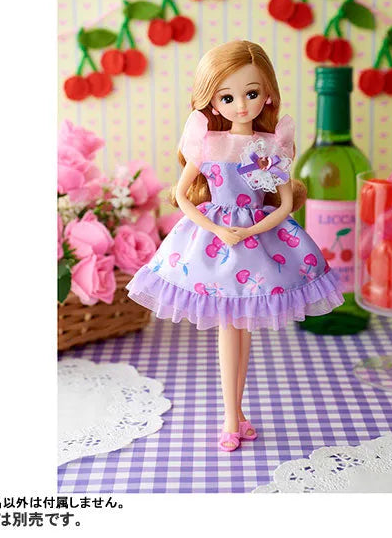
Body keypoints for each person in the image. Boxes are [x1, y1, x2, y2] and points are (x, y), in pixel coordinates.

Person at [126, 40, 345, 451]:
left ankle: (238, 413)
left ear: (268, 95)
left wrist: (252, 229)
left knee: (242, 329)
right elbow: (182, 196)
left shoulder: (271, 146)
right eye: (227, 97)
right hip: (214, 243)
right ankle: (231, 415)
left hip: (258, 241)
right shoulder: (208, 142)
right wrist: (217, 228)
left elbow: (284, 204)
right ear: (211, 101)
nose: (241, 105)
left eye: (251, 93)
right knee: (230, 326)